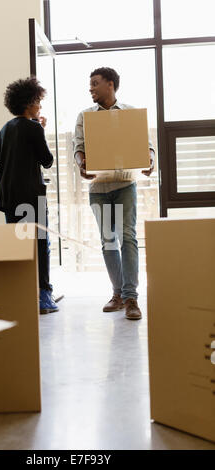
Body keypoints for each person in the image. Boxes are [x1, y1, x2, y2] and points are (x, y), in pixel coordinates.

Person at [74, 67, 155, 320]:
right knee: (108, 241)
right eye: (90, 84)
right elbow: (79, 147)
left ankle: (131, 298)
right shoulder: (85, 116)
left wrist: (150, 161)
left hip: (124, 186)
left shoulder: (130, 114)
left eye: (95, 83)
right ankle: (117, 294)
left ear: (111, 85)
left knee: (127, 238)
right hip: (98, 189)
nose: (91, 88)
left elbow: (148, 146)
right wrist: (81, 165)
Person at [0, 77, 58, 314]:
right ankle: (44, 296)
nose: (40, 107)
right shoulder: (34, 127)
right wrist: (41, 130)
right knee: (40, 244)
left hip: (9, 198)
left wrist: (10, 173)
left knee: (17, 246)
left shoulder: (5, 129)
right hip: (32, 198)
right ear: (28, 104)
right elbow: (47, 161)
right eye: (38, 102)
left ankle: (21, 295)